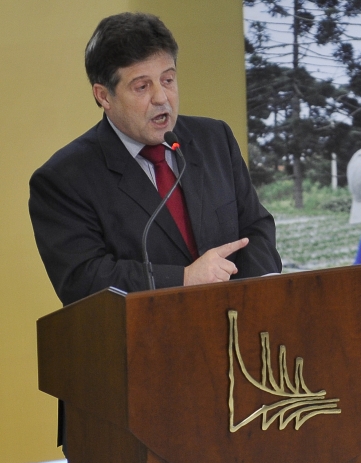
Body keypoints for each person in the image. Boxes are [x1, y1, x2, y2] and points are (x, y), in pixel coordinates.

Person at [29, 12, 281, 307]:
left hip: (236, 321)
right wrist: (183, 279)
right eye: (142, 87)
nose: (162, 97)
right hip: (145, 331)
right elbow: (83, 279)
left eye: (168, 80)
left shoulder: (214, 139)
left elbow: (256, 228)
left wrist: (244, 294)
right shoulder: (63, 179)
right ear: (104, 96)